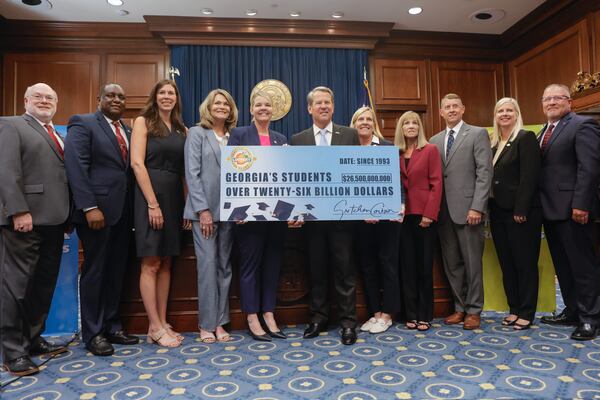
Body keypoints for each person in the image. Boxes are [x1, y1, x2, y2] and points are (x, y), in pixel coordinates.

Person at [0, 83, 69, 376]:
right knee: (16, 286)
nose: (45, 101)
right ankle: (13, 351)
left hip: (54, 221)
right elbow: (6, 170)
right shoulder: (11, 125)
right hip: (24, 219)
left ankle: (31, 338)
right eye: (38, 96)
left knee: (42, 285)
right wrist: (18, 210)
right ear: (25, 100)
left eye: (50, 97)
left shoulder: (58, 134)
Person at [65, 83, 139, 356]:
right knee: (96, 271)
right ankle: (93, 333)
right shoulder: (82, 123)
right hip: (96, 213)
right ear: (99, 99)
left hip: (124, 213)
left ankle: (112, 326)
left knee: (116, 270)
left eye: (121, 96)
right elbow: (76, 167)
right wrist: (88, 207)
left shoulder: (128, 131)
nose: (117, 99)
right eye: (111, 95)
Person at [291, 86, 360, 345]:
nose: (323, 106)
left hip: (343, 217)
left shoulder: (349, 134)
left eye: (327, 102)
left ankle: (347, 322)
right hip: (312, 220)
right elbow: (295, 179)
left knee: (344, 271)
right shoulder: (299, 139)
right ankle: (318, 318)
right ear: (309, 108)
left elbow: (356, 174)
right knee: (316, 270)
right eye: (318, 103)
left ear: (333, 106)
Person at [537, 83, 600, 340]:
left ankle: (591, 318)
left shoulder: (582, 125)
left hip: (574, 210)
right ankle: (573, 310)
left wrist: (581, 204)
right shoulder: (544, 131)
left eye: (557, 98)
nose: (551, 102)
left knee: (583, 266)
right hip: (550, 211)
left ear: (569, 101)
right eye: (547, 98)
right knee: (563, 266)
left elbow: (590, 168)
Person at [130, 79, 188, 348]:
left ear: (177, 98)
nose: (167, 97)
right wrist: (152, 203)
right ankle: (152, 326)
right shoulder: (143, 122)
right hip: (150, 196)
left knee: (167, 261)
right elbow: (137, 164)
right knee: (150, 261)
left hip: (175, 196)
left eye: (171, 93)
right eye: (162, 93)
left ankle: (163, 321)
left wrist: (188, 205)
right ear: (154, 97)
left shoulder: (181, 128)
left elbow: (186, 172)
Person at [429, 93, 493, 330]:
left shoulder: (477, 134)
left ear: (463, 108)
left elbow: (484, 173)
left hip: (469, 211)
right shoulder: (434, 140)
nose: (452, 109)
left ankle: (475, 310)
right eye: (447, 106)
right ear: (441, 112)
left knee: (472, 262)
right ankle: (460, 307)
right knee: (452, 263)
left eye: (456, 105)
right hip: (443, 213)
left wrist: (478, 206)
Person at [228, 91, 288, 341]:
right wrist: (237, 209)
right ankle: (252, 316)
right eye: (258, 105)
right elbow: (232, 172)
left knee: (272, 265)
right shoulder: (239, 134)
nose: (263, 108)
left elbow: (286, 178)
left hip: (276, 216)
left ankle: (269, 313)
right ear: (251, 109)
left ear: (273, 110)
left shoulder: (280, 138)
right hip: (249, 216)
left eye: (267, 105)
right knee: (250, 266)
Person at [184, 89, 238, 343]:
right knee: (206, 267)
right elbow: (192, 174)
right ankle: (206, 324)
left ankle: (220, 322)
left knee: (224, 267)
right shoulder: (197, 133)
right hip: (204, 212)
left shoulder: (234, 136)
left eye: (225, 104)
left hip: (230, 212)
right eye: (217, 103)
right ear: (208, 107)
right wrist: (202, 210)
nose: (221, 107)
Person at [488, 98, 541, 331]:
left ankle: (527, 312)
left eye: (510, 110)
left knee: (525, 263)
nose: (505, 114)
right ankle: (514, 308)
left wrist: (521, 209)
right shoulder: (494, 143)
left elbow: (530, 177)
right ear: (495, 115)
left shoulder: (525, 138)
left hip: (520, 213)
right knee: (507, 263)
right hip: (498, 211)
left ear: (517, 113)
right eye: (501, 110)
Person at [349, 106, 401, 334]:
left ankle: (388, 313)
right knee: (367, 266)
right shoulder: (346, 150)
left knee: (387, 264)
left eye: (369, 119)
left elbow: (398, 181)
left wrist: (398, 205)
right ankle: (375, 313)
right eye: (360, 119)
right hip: (359, 219)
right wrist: (362, 211)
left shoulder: (387, 147)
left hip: (387, 219)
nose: (365, 122)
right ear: (354, 123)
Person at [396, 111, 443, 331]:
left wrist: (429, 214)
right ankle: (410, 313)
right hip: (401, 218)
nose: (411, 126)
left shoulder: (430, 150)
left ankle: (425, 313)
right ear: (401, 128)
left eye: (415, 122)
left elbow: (436, 184)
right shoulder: (395, 153)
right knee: (407, 266)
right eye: (407, 123)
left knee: (424, 267)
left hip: (424, 216)